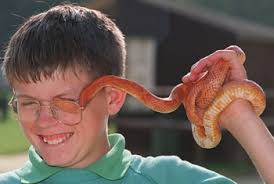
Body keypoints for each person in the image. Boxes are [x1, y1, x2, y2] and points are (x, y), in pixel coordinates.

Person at [0, 4, 273, 184]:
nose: (45, 119)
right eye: (28, 102)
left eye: (67, 102)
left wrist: (240, 116)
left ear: (113, 97)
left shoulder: (168, 178)